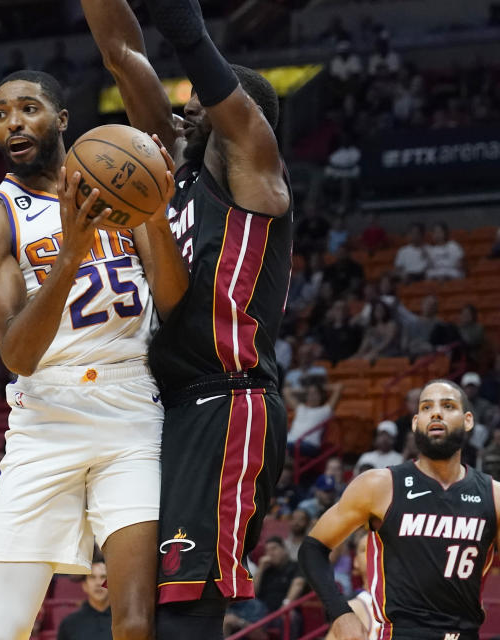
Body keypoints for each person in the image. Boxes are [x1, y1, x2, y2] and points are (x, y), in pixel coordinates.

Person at [81, 0, 293, 636]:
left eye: (206, 94)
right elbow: (122, 58)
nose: (190, 102)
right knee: (139, 608)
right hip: (160, 407)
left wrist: (188, 29)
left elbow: (235, 116)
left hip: (227, 403)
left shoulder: (258, 181)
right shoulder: (166, 174)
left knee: (186, 605)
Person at [0, 61, 188, 637]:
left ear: (62, 119)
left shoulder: (122, 189)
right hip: (46, 415)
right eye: (0, 114)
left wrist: (157, 213)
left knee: (135, 623)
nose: (13, 122)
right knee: (6, 627)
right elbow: (17, 354)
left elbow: (173, 303)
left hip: (130, 404)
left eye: (28, 108)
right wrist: (70, 254)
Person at [299, 379, 500, 640]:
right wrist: (340, 613)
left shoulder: (493, 495)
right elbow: (313, 548)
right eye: (426, 408)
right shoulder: (379, 485)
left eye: (448, 406)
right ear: (416, 423)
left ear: (468, 420)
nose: (436, 413)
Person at [57, 558, 112, 640]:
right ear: (84, 585)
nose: (98, 583)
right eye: (92, 577)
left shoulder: (124, 621)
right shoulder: (69, 624)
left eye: (103, 577)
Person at [284, 383, 343, 457]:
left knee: (281, 447)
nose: (312, 396)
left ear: (321, 396)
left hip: (309, 445)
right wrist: (306, 389)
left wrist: (321, 387)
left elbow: (339, 388)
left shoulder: (325, 410)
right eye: (309, 393)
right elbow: (286, 391)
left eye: (315, 393)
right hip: (290, 442)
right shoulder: (300, 408)